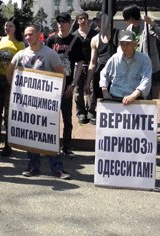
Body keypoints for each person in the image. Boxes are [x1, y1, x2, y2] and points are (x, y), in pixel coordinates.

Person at [7, 25, 71, 180]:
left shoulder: (50, 54)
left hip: (47, 104)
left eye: (31, 34)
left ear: (38, 35)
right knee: (31, 135)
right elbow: (10, 73)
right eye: (26, 35)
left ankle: (57, 169)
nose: (28, 37)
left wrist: (58, 96)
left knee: (49, 136)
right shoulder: (21, 54)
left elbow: (61, 74)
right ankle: (33, 166)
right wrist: (16, 90)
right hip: (27, 103)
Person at [46, 12, 84, 157]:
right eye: (59, 22)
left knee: (67, 118)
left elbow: (80, 63)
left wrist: (73, 84)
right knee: (50, 118)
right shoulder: (51, 40)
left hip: (67, 84)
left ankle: (67, 147)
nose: (61, 25)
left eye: (64, 22)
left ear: (70, 23)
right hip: (52, 84)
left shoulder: (76, 40)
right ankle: (49, 145)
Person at [0, 16, 25, 156]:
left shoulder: (20, 45)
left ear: (16, 29)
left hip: (11, 82)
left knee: (8, 115)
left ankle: (8, 144)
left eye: (10, 26)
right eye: (6, 25)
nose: (7, 28)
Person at [99, 30, 152, 105]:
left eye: (128, 43)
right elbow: (104, 74)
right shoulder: (114, 58)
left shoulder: (144, 60)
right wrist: (104, 91)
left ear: (135, 44)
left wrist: (133, 96)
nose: (125, 47)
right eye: (122, 44)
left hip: (136, 100)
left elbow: (146, 81)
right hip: (115, 99)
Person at [122, 5, 160, 82]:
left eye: (126, 18)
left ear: (131, 18)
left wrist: (152, 24)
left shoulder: (148, 25)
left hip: (149, 66)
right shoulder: (129, 29)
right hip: (134, 66)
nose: (125, 21)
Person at [73, 12, 96, 124]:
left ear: (88, 20)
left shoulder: (95, 34)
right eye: (80, 19)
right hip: (78, 66)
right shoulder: (74, 35)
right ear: (77, 21)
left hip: (91, 65)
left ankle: (91, 111)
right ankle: (81, 112)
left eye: (84, 18)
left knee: (92, 89)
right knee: (78, 90)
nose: (82, 20)